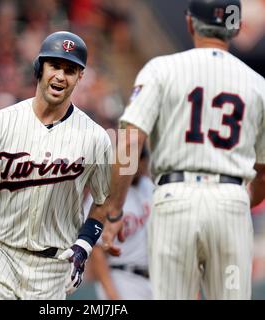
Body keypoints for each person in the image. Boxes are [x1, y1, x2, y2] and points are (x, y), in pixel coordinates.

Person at [101, 0, 265, 300]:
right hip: (231, 201)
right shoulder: (258, 84)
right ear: (236, 28)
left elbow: (128, 143)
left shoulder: (161, 69)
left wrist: (113, 211)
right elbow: (264, 172)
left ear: (190, 23)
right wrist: (241, 199)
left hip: (175, 200)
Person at [0, 31, 112, 300]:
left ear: (80, 77)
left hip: (51, 270)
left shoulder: (96, 137)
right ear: (40, 67)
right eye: (55, 66)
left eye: (70, 70)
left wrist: (85, 244)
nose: (61, 76)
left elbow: (104, 200)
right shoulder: (0, 122)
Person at [85, 146, 153, 300]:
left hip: (154, 279)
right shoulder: (106, 193)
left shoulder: (148, 186)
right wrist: (112, 295)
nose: (142, 167)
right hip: (122, 277)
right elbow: (97, 251)